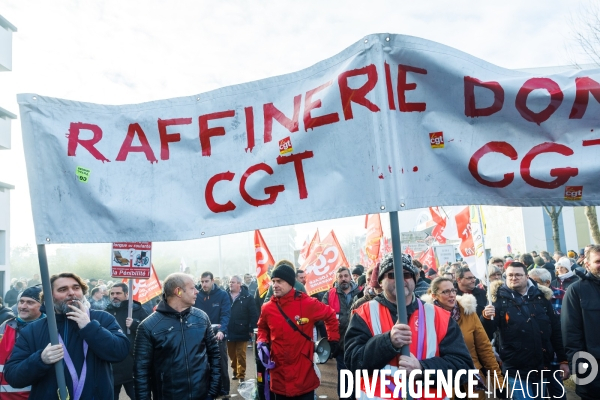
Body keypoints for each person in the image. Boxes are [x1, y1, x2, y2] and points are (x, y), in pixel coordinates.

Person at [345, 253, 473, 399]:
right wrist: (387, 342)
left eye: (406, 274)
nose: (400, 279)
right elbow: (352, 362)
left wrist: (422, 369)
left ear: (414, 279)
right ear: (380, 281)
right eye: (392, 275)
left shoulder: (439, 316)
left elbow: (463, 367)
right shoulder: (364, 313)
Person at [4, 272, 129, 399]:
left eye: (76, 288)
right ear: (49, 297)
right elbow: (13, 376)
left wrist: (90, 328)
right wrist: (40, 360)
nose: (71, 293)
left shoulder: (102, 318)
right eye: (62, 289)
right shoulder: (32, 330)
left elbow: (120, 352)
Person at [481, 262, 569, 399]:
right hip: (515, 366)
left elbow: (555, 330)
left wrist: (563, 360)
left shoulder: (541, 298)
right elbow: (486, 333)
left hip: (541, 364)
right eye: (510, 275)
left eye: (518, 275)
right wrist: (486, 317)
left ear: (527, 277)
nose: (513, 278)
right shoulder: (498, 301)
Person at [257, 260, 340, 400]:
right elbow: (262, 328)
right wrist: (262, 341)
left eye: (279, 281)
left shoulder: (307, 303)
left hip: (303, 375)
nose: (275, 285)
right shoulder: (267, 308)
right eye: (273, 281)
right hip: (279, 375)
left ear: (290, 283)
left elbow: (330, 315)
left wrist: (333, 340)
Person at [134, 273, 221, 399]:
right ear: (178, 292)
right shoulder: (148, 326)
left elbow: (214, 355)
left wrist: (212, 390)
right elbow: (141, 372)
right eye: (192, 288)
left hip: (202, 395)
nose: (197, 291)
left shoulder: (202, 318)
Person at [423, 277, 504, 399]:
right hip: (443, 381)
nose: (451, 295)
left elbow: (484, 348)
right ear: (434, 296)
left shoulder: (468, 313)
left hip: (472, 378)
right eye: (445, 292)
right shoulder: (426, 317)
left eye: (453, 290)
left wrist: (498, 381)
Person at [561, 244, 600, 400]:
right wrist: (579, 367)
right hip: (592, 365)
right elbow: (570, 333)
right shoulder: (576, 291)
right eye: (598, 261)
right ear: (587, 264)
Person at [105, 282, 149, 399]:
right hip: (112, 366)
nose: (115, 296)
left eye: (118, 293)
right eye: (112, 293)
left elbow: (150, 331)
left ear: (126, 294)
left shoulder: (137, 310)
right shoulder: (105, 312)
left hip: (132, 365)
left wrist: (135, 325)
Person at [0, 286, 45, 398]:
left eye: (30, 302)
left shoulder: (49, 330)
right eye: (21, 302)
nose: (23, 306)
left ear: (42, 306)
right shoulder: (6, 325)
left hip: (32, 395)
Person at [323, 266, 360, 400]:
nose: (343, 279)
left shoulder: (360, 293)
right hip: (341, 344)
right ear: (337, 279)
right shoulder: (329, 294)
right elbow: (324, 317)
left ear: (350, 277)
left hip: (359, 344)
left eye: (345, 276)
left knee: (359, 378)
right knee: (344, 378)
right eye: (340, 276)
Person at [195, 271, 231, 396]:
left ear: (212, 281)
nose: (204, 284)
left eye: (206, 281)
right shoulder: (197, 295)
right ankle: (210, 390)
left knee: (221, 363)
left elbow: (226, 314)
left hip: (217, 335)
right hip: (200, 335)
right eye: (202, 281)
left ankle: (224, 389)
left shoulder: (222, 295)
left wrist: (222, 331)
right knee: (204, 364)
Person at [226, 275, 258, 382]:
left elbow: (253, 314)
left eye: (233, 282)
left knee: (241, 354)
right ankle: (235, 370)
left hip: (242, 329)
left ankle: (241, 374)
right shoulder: (224, 296)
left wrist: (251, 328)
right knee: (231, 354)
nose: (231, 284)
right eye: (230, 282)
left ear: (239, 284)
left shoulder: (248, 297)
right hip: (229, 329)